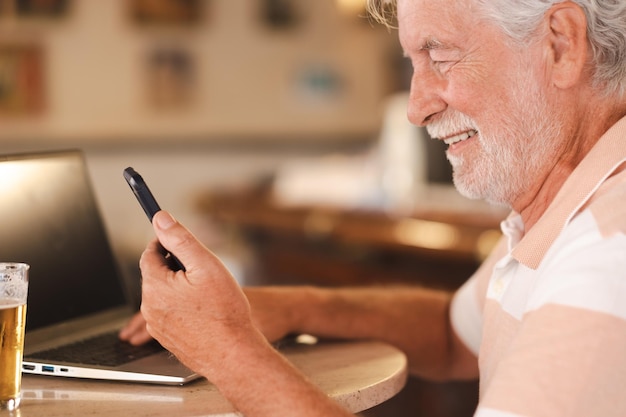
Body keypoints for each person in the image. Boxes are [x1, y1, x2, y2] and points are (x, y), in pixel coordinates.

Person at [120, 0, 626, 415]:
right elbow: (451, 335)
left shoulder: (606, 255)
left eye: (441, 56)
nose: (415, 105)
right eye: (413, 63)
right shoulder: (571, 206)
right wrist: (282, 309)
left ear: (561, 44)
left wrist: (225, 346)